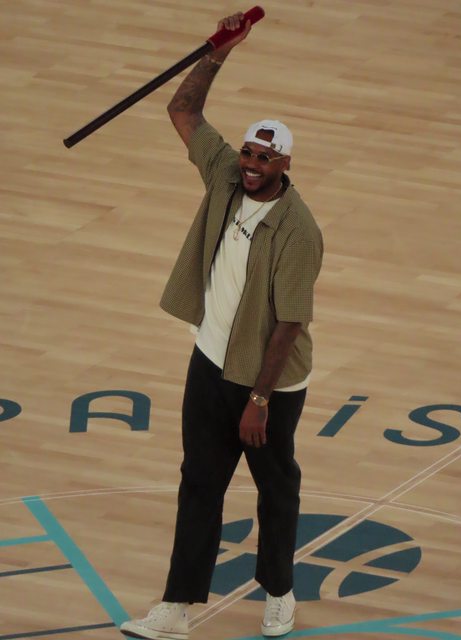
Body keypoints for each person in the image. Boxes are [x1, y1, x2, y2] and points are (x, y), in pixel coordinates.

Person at [121, 11, 323, 640]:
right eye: (248, 152)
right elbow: (183, 111)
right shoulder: (225, 175)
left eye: (265, 157)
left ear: (285, 162)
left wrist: (259, 399)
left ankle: (280, 594)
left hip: (269, 382)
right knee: (200, 482)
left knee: (275, 488)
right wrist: (220, 50)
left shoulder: (298, 230)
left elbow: (290, 323)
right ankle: (176, 607)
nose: (252, 164)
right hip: (210, 362)